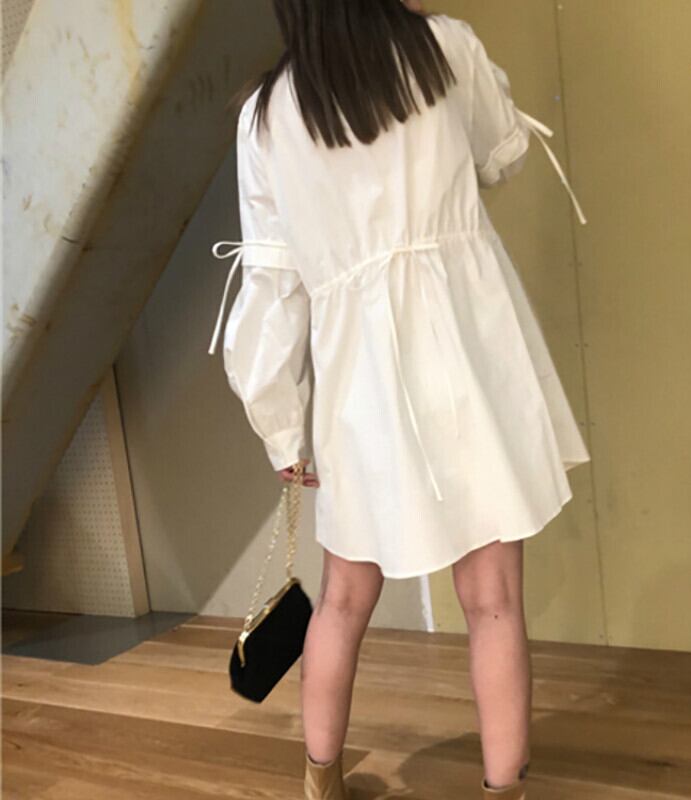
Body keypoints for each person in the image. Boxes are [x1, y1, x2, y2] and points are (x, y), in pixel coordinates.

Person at [208, 2, 590, 798]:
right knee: (493, 601)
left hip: (361, 389)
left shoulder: (266, 118)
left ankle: (321, 785)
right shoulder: (443, 46)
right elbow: (503, 153)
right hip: (470, 358)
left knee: (342, 600)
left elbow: (272, 293)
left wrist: (283, 431)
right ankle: (505, 789)